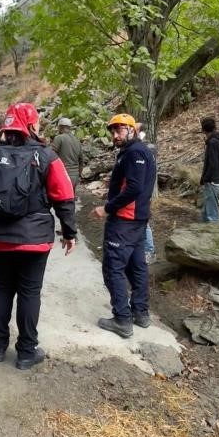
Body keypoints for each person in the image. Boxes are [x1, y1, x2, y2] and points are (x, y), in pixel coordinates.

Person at [0, 102, 77, 370]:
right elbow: (64, 197)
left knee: (2, 287)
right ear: (31, 125)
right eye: (38, 122)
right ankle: (26, 353)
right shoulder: (47, 156)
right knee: (30, 292)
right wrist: (69, 233)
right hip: (34, 238)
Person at [92, 113, 156, 338]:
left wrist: (107, 207)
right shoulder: (134, 151)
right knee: (137, 266)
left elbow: (134, 188)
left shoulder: (135, 152)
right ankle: (140, 313)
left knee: (113, 268)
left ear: (132, 130)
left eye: (119, 130)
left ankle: (122, 319)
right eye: (112, 131)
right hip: (137, 221)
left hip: (125, 222)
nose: (115, 135)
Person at [135, 123, 156, 264]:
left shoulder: (146, 149)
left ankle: (149, 251)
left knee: (144, 223)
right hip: (142, 194)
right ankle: (144, 249)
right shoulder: (145, 148)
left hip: (143, 194)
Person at [200, 116, 219, 222]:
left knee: (212, 217)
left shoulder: (213, 143)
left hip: (213, 182)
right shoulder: (218, 141)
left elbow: (213, 165)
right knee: (205, 213)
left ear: (203, 130)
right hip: (216, 181)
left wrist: (206, 179)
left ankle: (215, 236)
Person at [51, 117, 83, 190]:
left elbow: (52, 155)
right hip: (75, 176)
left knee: (61, 199)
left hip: (63, 175)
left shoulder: (59, 138)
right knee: (71, 198)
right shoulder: (77, 141)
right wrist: (78, 174)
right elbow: (81, 161)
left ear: (60, 127)